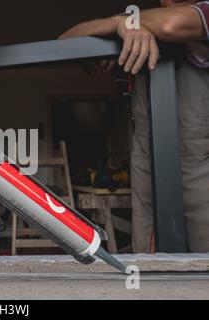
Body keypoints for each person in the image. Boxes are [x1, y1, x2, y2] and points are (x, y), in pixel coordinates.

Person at [59, 1, 209, 252]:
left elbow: (171, 25)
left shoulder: (203, 11)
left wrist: (123, 22)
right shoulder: (136, 27)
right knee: (150, 255)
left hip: (202, 157)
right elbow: (63, 42)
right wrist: (120, 25)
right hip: (146, 153)